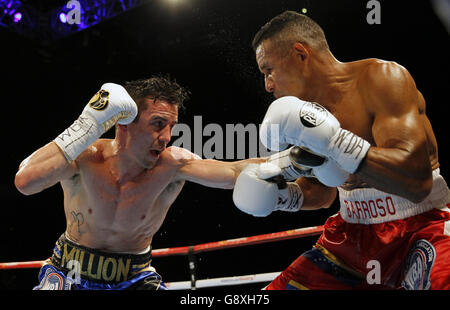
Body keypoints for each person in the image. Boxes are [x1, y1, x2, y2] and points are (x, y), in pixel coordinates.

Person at [233, 11, 450, 289]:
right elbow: (322, 192)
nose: (267, 85)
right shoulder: (306, 114)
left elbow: (416, 182)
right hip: (351, 238)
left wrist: (335, 142)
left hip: (421, 226)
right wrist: (284, 197)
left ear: (300, 54)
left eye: (269, 70)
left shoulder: (381, 78)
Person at [14, 76, 274, 290]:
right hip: (69, 272)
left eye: (171, 126)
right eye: (158, 124)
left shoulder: (172, 165)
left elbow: (235, 172)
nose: (167, 137)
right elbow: (25, 181)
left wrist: (292, 160)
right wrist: (88, 124)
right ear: (124, 122)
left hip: (135, 280)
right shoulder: (85, 156)